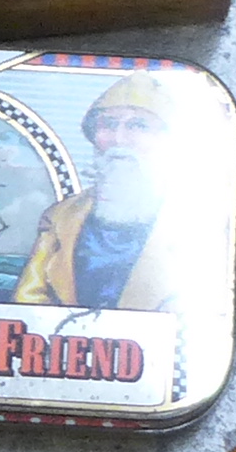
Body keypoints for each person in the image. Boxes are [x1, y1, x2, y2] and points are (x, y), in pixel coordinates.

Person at [11, 73, 188, 311]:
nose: (119, 139)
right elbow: (28, 302)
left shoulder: (200, 222)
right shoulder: (60, 217)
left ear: (168, 139)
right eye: (109, 125)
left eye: (138, 126)